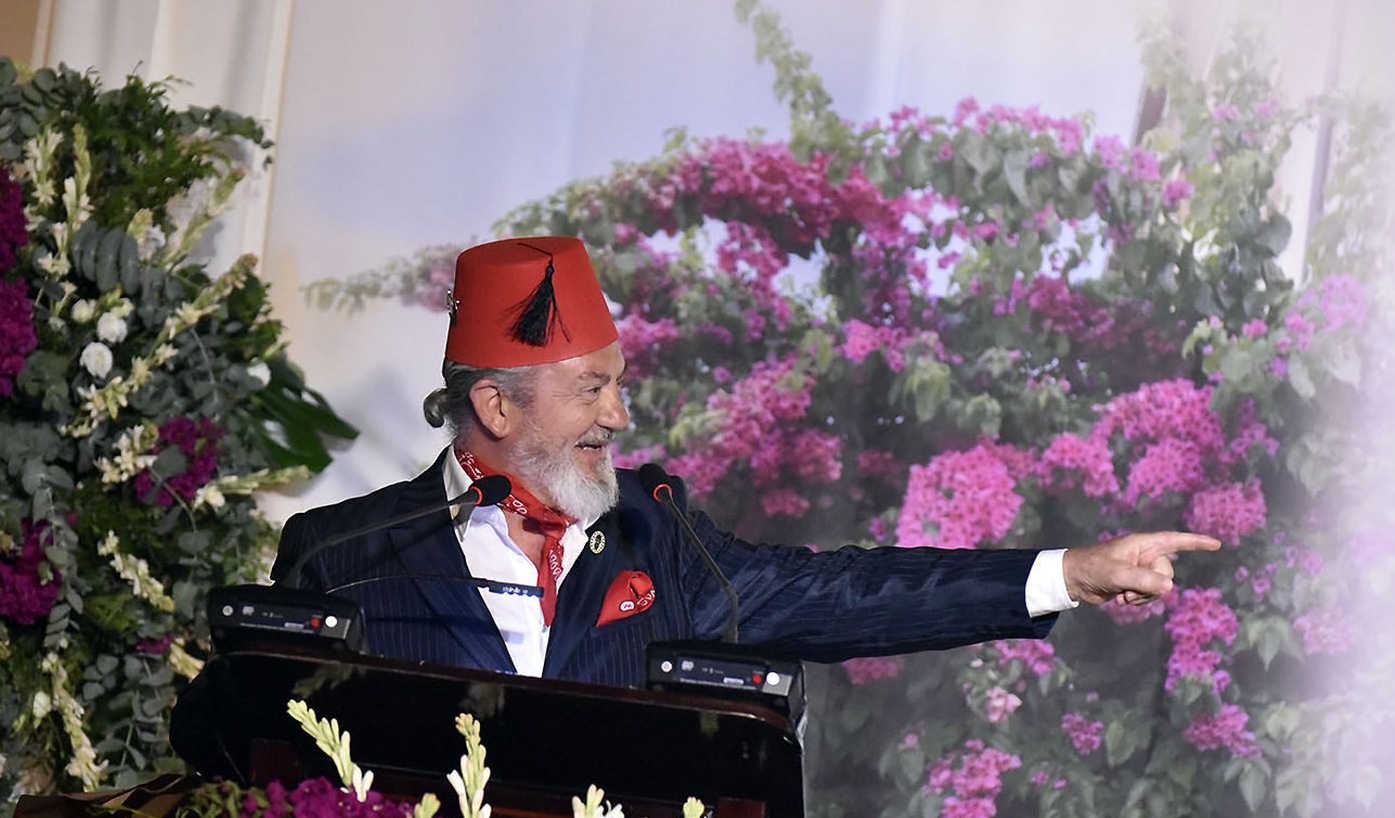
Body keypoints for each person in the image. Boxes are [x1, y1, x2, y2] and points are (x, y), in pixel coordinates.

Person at [271, 236, 1218, 688]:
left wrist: (1068, 573)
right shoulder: (345, 553)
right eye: (591, 389)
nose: (619, 413)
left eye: (619, 382)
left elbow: (843, 594)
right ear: (495, 405)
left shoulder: (658, 533)